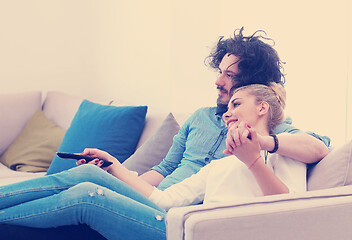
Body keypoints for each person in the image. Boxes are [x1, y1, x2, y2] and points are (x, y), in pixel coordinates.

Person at [0, 83, 312, 240]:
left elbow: (288, 212)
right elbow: (164, 199)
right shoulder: (219, 164)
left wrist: (254, 160)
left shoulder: (284, 151)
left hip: (194, 233)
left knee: (86, 196)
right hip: (175, 220)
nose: (227, 112)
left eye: (237, 104)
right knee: (86, 174)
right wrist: (115, 166)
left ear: (262, 109)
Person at [139, 27, 330, 190]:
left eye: (229, 75)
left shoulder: (269, 127)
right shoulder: (199, 117)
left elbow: (319, 147)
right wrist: (124, 185)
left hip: (186, 215)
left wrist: (261, 142)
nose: (218, 81)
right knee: (109, 186)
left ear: (252, 82)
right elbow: (165, 169)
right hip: (158, 199)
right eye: (220, 72)